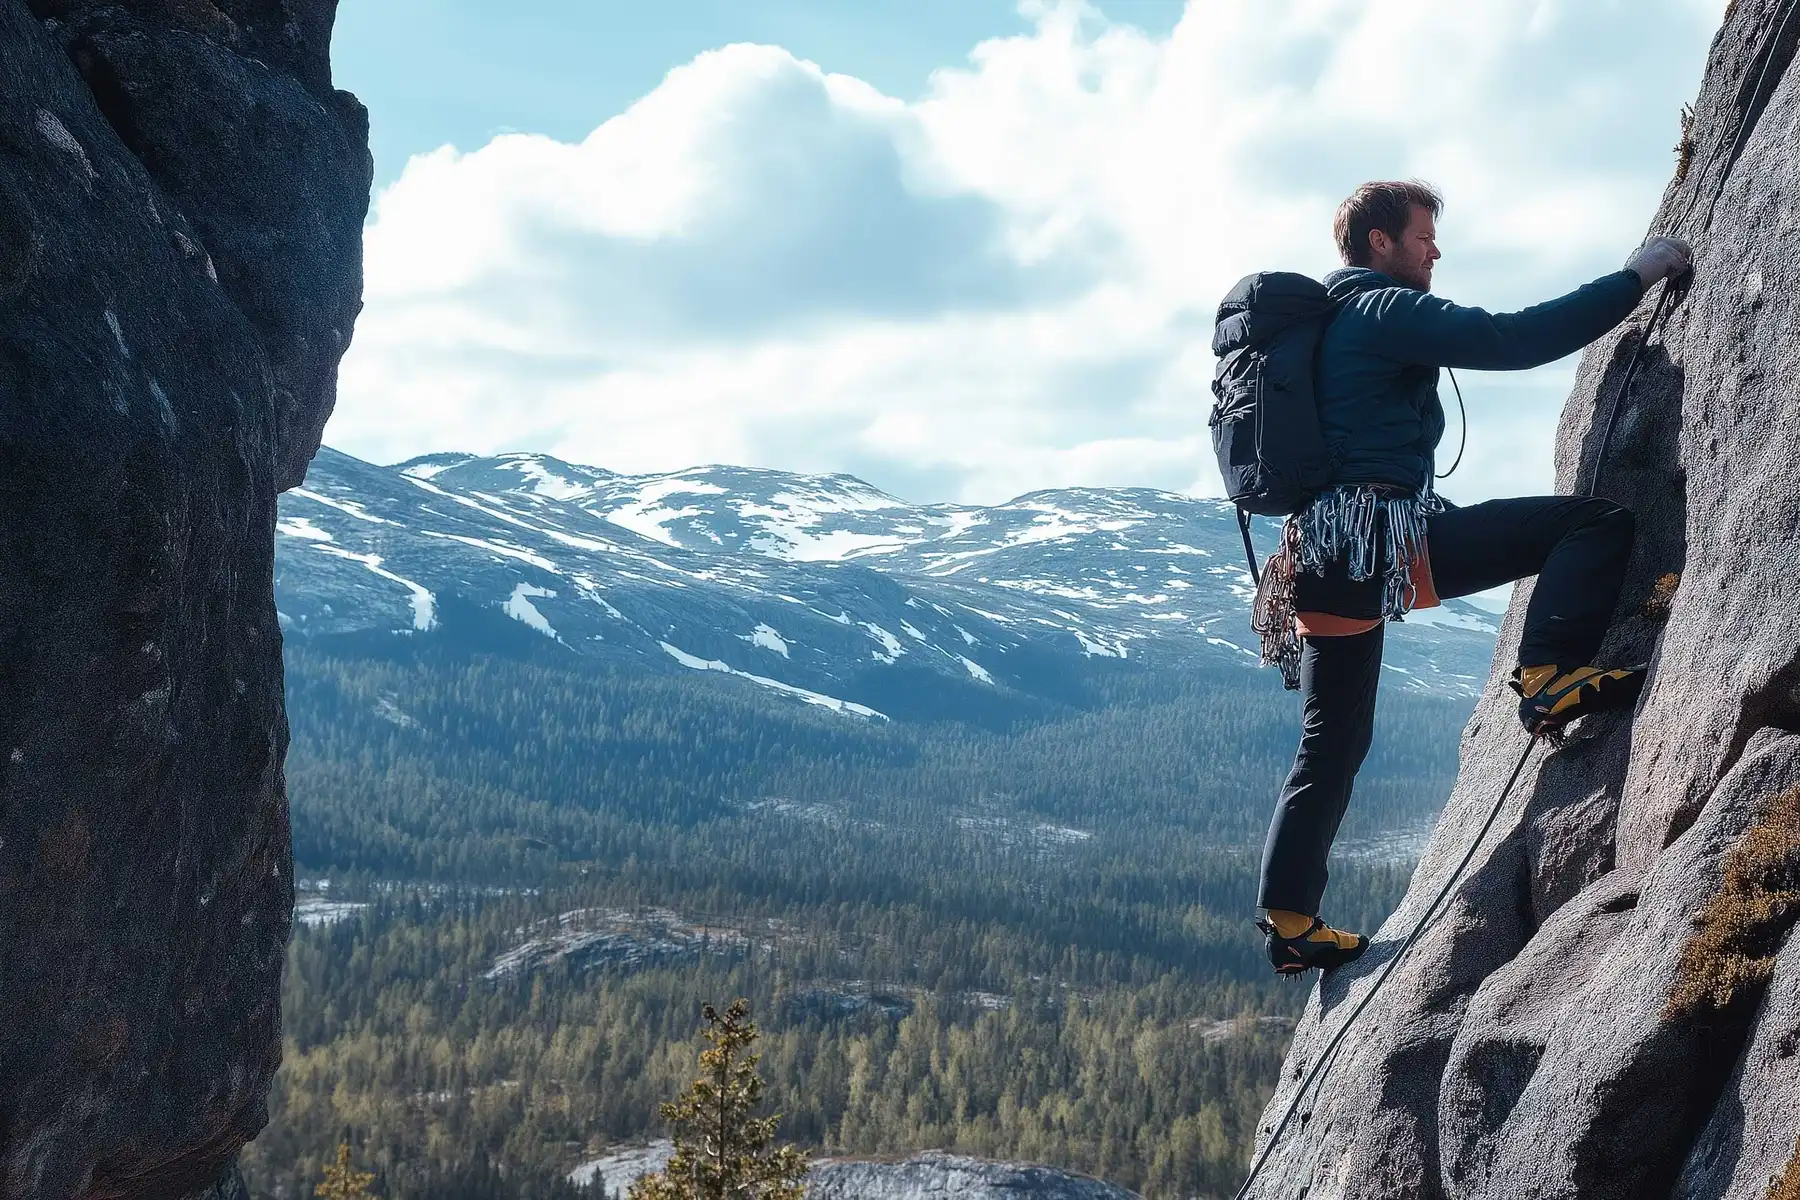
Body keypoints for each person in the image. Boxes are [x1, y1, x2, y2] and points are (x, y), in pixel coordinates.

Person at [1255, 179, 1692, 976]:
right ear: (1380, 241)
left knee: (1332, 741)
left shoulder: (1319, 326)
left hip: (1317, 558)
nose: (1436, 251)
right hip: (1379, 537)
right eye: (1423, 236)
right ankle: (1550, 674)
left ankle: (1290, 919)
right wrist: (1636, 277)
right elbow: (1511, 338)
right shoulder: (1382, 309)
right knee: (1592, 524)